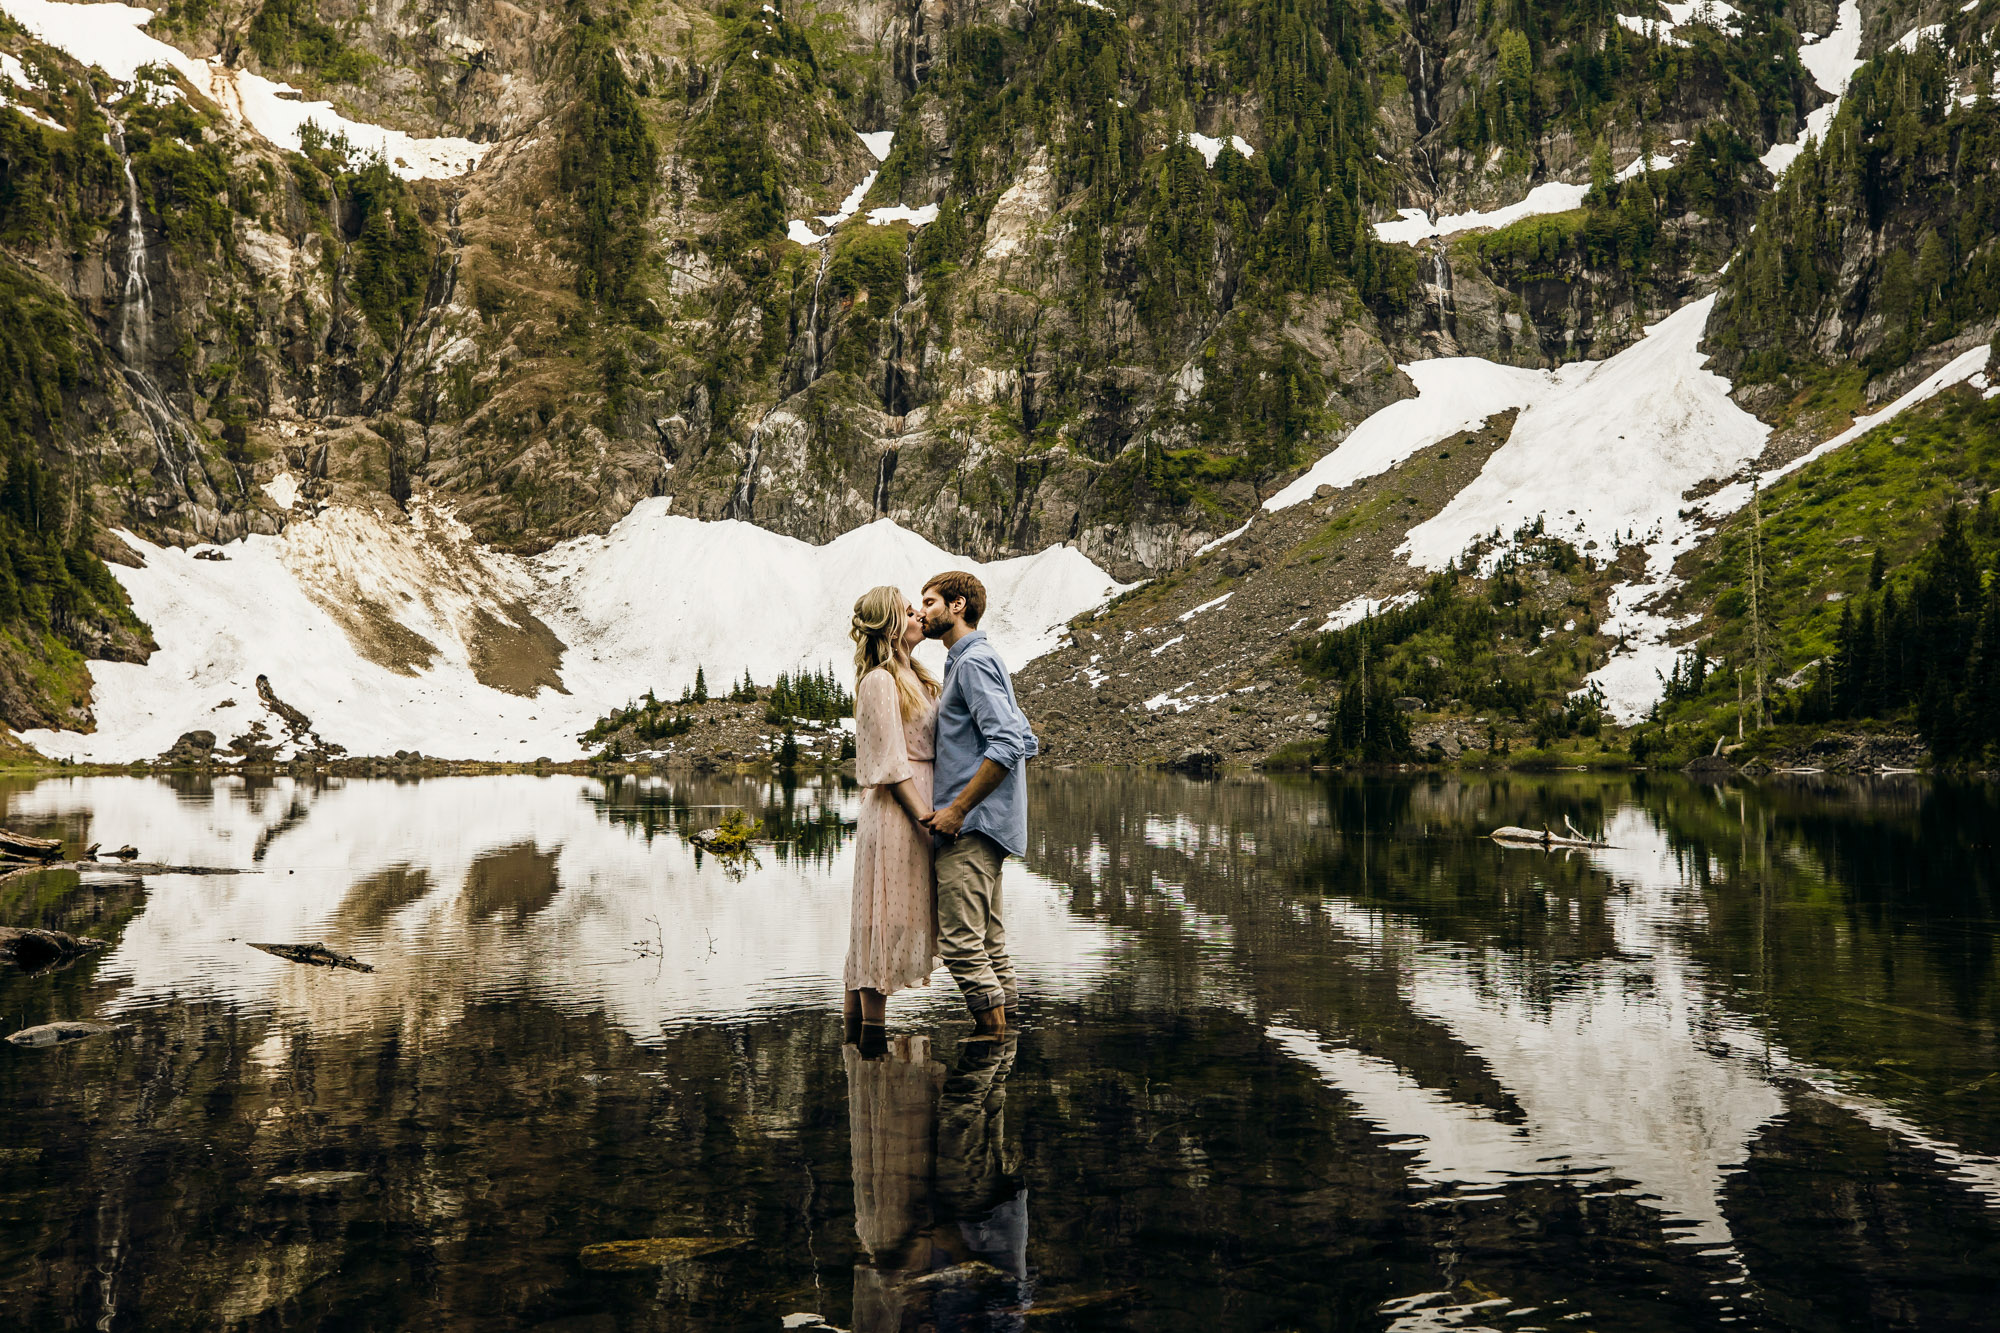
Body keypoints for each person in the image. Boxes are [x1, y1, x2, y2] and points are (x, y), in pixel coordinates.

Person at [918, 571, 1039, 1037]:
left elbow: (1009, 742)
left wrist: (959, 809)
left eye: (929, 602)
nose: (922, 611)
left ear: (957, 605)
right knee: (988, 943)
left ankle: (991, 1049)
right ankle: (1000, 1067)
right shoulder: (973, 660)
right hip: (991, 826)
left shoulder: (971, 663)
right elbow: (1025, 737)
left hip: (971, 828)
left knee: (961, 945)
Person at [844, 586, 942, 1049]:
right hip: (897, 812)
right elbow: (888, 762)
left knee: (893, 915)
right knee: (882, 919)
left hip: (920, 805)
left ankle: (859, 1047)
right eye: (908, 611)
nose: (920, 615)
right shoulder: (880, 680)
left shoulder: (917, 676)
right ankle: (872, 1039)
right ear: (889, 626)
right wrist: (926, 816)